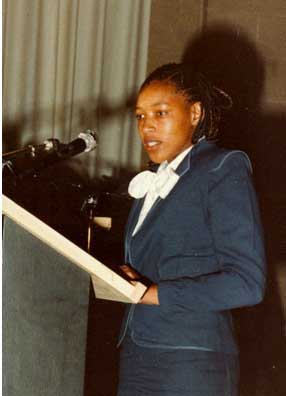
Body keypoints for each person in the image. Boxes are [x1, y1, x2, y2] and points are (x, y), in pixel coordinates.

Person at [117, 63, 266, 396]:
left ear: (195, 113)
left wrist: (155, 293)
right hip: (139, 352)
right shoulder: (158, 179)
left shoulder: (222, 168)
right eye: (140, 116)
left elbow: (247, 284)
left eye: (160, 113)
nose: (147, 127)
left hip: (191, 362)